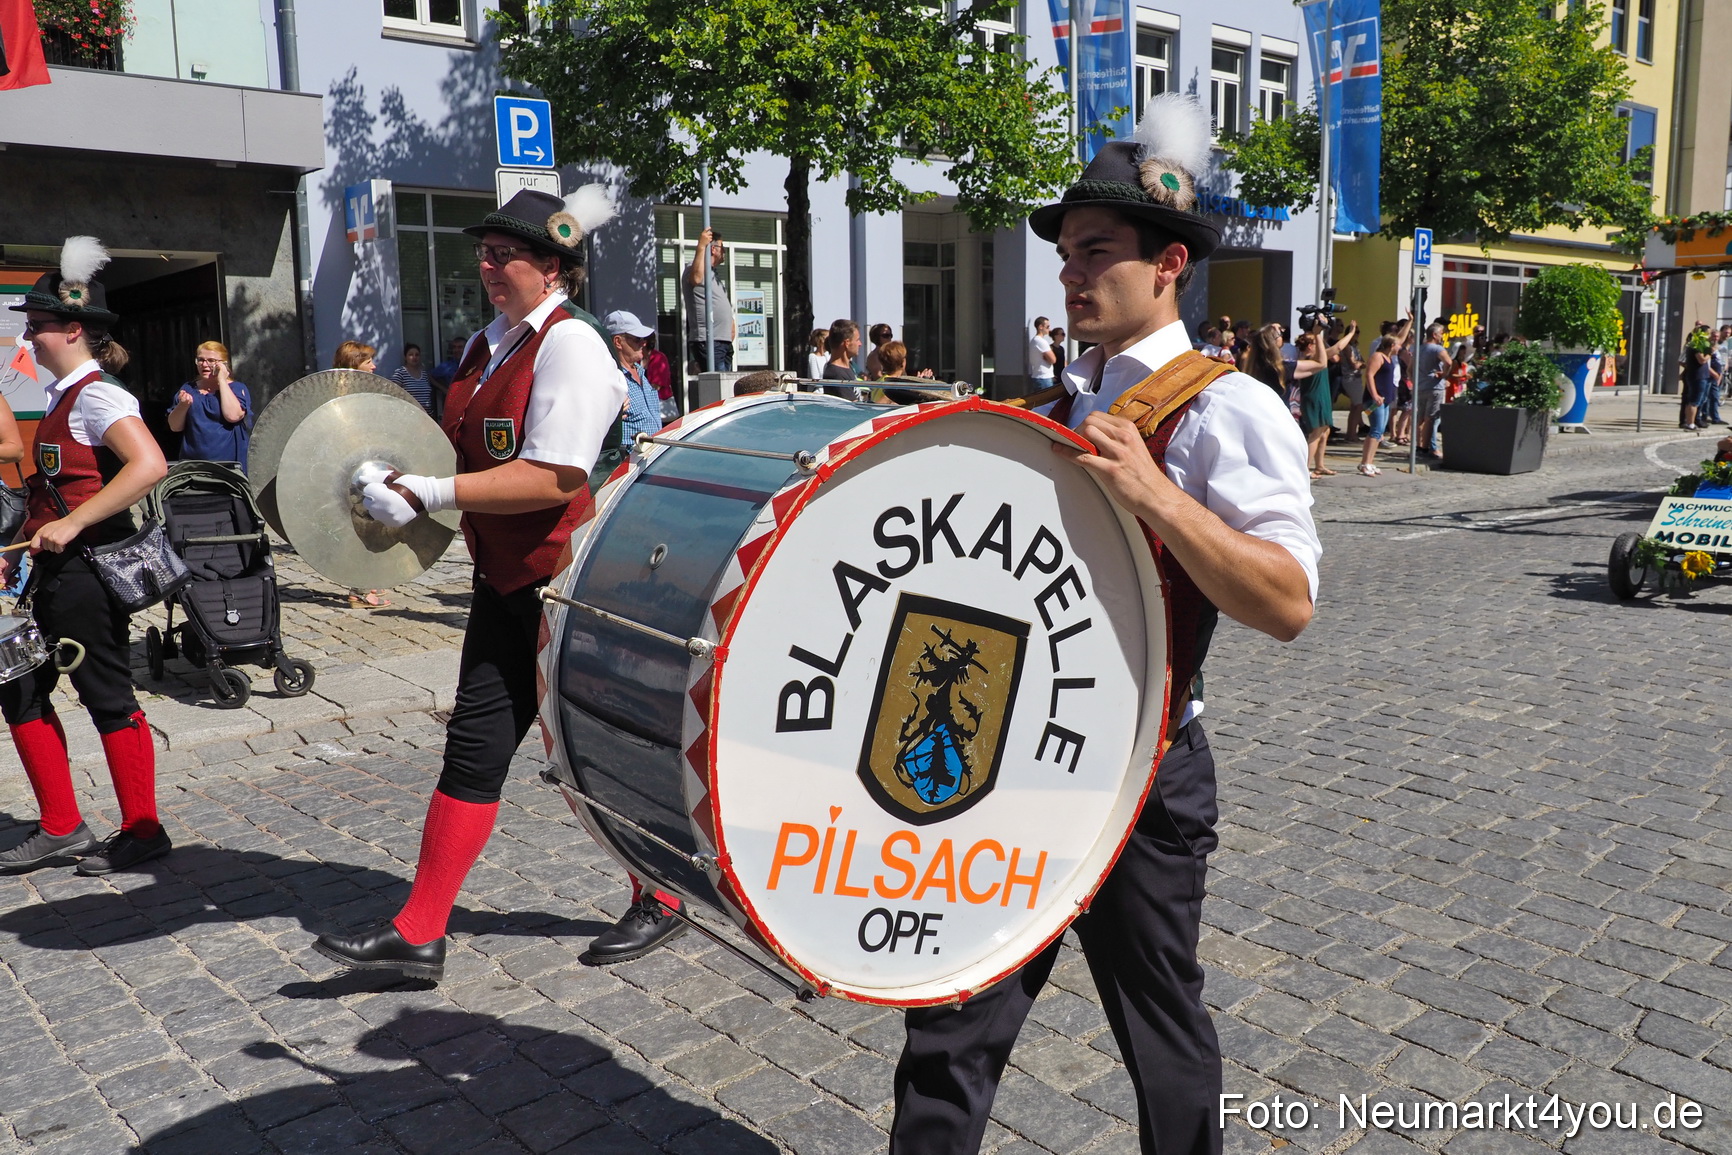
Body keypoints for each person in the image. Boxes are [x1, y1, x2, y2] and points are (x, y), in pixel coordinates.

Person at [893, 93, 1319, 1155]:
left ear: (1169, 263)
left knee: (1162, 1030)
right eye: (1066, 256)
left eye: (1097, 253)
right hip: (1015, 763)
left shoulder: (1231, 408)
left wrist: (1162, 498)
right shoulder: (1059, 396)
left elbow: (1287, 603)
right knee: (949, 1018)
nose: (1072, 273)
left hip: (1141, 774)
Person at [310, 187, 654, 982]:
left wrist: (428, 493)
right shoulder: (484, 343)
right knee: (474, 747)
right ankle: (419, 931)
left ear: (552, 268)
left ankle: (660, 893)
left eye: (506, 255)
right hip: (508, 580)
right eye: (486, 252)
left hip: (572, 583)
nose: (488, 265)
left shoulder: (571, 347)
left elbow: (553, 475)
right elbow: (457, 446)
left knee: (596, 749)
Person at [0, 236, 173, 876]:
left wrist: (71, 525)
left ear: (74, 330)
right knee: (18, 685)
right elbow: (51, 485)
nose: (28, 339)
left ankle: (143, 830)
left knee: (106, 695)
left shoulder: (99, 395)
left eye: (38, 328)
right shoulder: (60, 396)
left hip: (88, 574)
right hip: (50, 572)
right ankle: (60, 825)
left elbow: (150, 464)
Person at [333, 340, 390, 610]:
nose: (374, 366)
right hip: (351, 471)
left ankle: (366, 582)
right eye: (368, 361)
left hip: (365, 466)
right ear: (354, 363)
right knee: (359, 526)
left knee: (371, 523)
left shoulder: (358, 390)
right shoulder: (344, 394)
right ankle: (359, 590)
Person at [168, 340, 252, 471]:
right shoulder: (188, 388)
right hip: (194, 465)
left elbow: (233, 415)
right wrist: (183, 406)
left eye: (211, 360)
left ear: (224, 364)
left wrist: (221, 380)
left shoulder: (237, 388)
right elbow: (174, 426)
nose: (204, 365)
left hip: (229, 466)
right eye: (200, 360)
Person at [1295, 323, 1358, 478]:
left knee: (1325, 431)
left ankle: (1319, 465)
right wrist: (1351, 334)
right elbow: (1337, 348)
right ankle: (1306, 468)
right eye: (1316, 343)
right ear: (1310, 346)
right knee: (1315, 433)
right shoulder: (1312, 358)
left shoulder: (1312, 357)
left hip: (1321, 396)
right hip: (1314, 398)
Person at [607, 310, 662, 444]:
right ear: (618, 342)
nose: (643, 343)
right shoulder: (610, 377)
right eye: (638, 339)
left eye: (644, 339)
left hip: (654, 456)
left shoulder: (641, 372)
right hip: (629, 460)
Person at [684, 226, 734, 372]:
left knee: (725, 388)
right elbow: (696, 278)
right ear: (713, 249)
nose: (724, 252)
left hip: (722, 341)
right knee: (717, 387)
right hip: (710, 341)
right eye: (722, 247)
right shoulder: (694, 269)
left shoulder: (713, 274)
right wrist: (701, 246)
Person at [1358, 334, 1399, 476]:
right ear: (1392, 345)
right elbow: (1369, 375)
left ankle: (1370, 461)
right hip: (1376, 399)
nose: (1400, 347)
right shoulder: (1378, 356)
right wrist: (1374, 394)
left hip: (1385, 399)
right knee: (1375, 430)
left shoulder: (1389, 358)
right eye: (1398, 345)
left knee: (1380, 432)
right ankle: (1365, 463)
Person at [1414, 323, 1451, 457]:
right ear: (1434, 335)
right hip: (1434, 386)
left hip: (1421, 386)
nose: (1442, 336)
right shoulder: (1437, 349)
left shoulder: (1419, 348)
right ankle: (1425, 447)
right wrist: (1444, 374)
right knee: (1430, 418)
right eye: (1441, 333)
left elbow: (1410, 368)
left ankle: (1418, 446)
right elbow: (1449, 362)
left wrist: (1415, 380)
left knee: (1420, 418)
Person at [822, 319, 864, 400]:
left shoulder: (849, 367)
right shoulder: (836, 374)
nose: (860, 344)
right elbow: (854, 409)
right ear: (847, 343)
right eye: (857, 340)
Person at [429, 335, 467, 418]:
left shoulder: (474, 364)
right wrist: (444, 390)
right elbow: (430, 376)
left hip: (469, 404)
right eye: (454, 347)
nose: (457, 350)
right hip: (453, 406)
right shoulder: (447, 366)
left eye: (460, 347)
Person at [392, 343, 434, 412]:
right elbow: (393, 393)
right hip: (410, 415)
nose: (414, 357)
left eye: (417, 355)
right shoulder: (400, 373)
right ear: (405, 357)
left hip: (427, 416)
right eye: (411, 355)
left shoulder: (424, 374)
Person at [643, 334, 676, 421]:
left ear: (644, 343)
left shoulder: (659, 358)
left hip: (660, 404)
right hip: (645, 407)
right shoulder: (637, 359)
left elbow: (656, 386)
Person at [1027, 316, 1056, 386]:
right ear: (1041, 327)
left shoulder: (1034, 340)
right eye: (1047, 326)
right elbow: (1053, 360)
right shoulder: (1041, 341)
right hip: (1044, 377)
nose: (1049, 329)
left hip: (1038, 376)